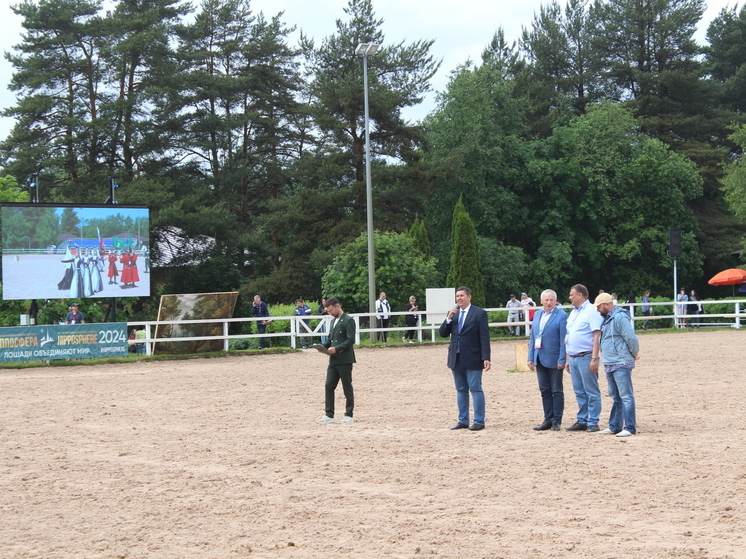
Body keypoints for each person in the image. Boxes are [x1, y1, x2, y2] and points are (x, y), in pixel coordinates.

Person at [439, 286, 491, 431]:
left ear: (469, 297)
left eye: (461, 296)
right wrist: (448, 318)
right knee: (461, 389)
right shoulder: (453, 314)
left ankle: (479, 421)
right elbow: (443, 333)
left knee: (475, 388)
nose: (459, 298)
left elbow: (484, 337)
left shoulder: (479, 313)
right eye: (457, 296)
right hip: (456, 356)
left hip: (473, 356)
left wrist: (486, 357)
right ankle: (463, 420)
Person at [594, 293, 640, 437]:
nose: (598, 310)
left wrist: (633, 353)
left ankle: (630, 427)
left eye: (599, 307)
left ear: (607, 305)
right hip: (610, 361)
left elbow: (631, 337)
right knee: (616, 396)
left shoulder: (619, 317)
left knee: (626, 395)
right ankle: (614, 425)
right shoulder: (608, 318)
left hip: (621, 361)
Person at [527, 289, 568, 431]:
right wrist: (530, 356)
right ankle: (548, 419)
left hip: (555, 358)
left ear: (556, 301)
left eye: (551, 300)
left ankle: (557, 420)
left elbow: (564, 340)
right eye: (546, 300)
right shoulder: (537, 314)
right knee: (544, 390)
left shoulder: (562, 316)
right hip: (540, 357)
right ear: (541, 301)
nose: (549, 302)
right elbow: (533, 337)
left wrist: (562, 359)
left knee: (556, 390)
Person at [565, 284, 603, 432]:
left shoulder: (591, 312)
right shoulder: (573, 313)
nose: (569, 297)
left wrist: (594, 358)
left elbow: (596, 335)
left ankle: (593, 420)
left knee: (591, 390)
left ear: (580, 295)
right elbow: (569, 336)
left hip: (586, 356)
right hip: (574, 357)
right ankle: (582, 419)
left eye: (571, 295)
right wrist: (568, 358)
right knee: (579, 391)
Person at [316, 297, 356, 424]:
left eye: (331, 310)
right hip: (333, 360)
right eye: (328, 311)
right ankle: (329, 414)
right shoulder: (333, 321)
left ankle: (349, 414)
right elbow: (331, 338)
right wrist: (324, 347)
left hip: (344, 359)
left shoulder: (348, 320)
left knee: (346, 386)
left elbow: (350, 340)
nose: (330, 313)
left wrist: (337, 349)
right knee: (329, 385)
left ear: (337, 306)